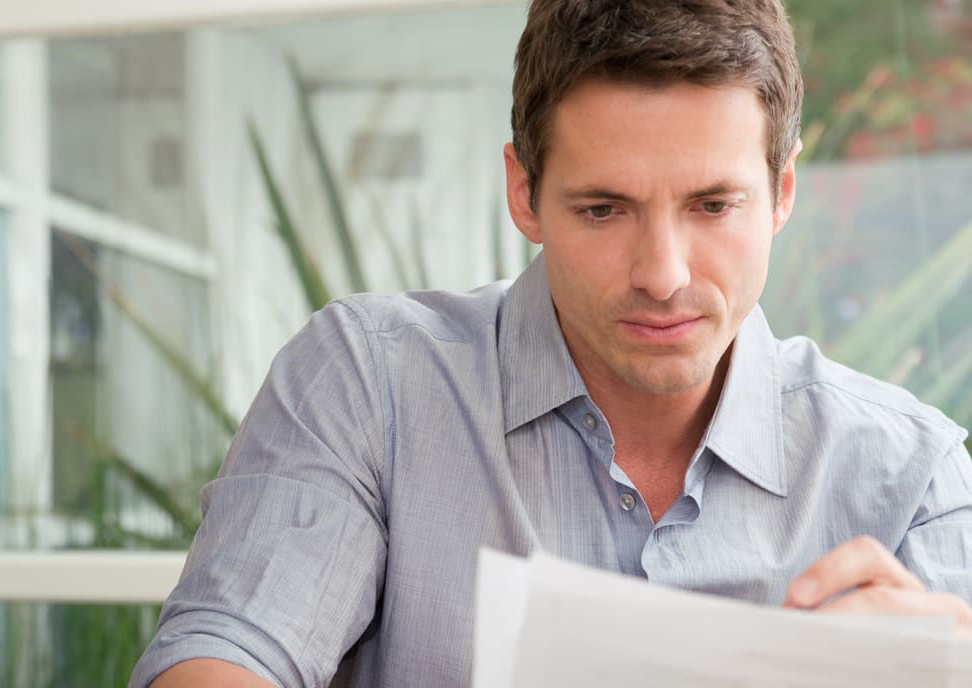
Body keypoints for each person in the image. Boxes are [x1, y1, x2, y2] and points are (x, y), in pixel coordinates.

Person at [131, 1, 972, 686]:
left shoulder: (912, 476)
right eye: (603, 209)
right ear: (524, 193)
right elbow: (226, 654)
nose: (663, 275)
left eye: (714, 206)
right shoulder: (370, 380)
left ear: (783, 192)